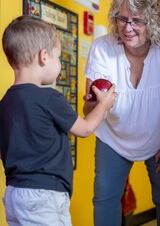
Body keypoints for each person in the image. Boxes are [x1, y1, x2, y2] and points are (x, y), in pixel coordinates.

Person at [0, 15, 117, 226]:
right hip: (44, 196)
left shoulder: (5, 102)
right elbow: (85, 128)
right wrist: (103, 105)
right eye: (58, 57)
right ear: (44, 57)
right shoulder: (49, 97)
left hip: (14, 194)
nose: (59, 64)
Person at [83, 0, 160, 225]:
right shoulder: (103, 48)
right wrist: (96, 104)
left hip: (157, 137)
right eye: (122, 19)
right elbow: (87, 112)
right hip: (112, 138)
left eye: (137, 20)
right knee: (105, 199)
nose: (127, 28)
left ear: (154, 20)